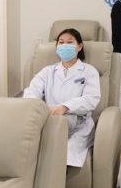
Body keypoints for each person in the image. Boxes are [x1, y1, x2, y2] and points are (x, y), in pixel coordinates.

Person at [23, 28, 100, 168]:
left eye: (70, 42)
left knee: (63, 156)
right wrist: (38, 108)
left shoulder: (89, 71)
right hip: (49, 119)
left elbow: (91, 99)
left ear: (79, 46)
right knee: (32, 152)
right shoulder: (47, 72)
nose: (65, 46)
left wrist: (65, 107)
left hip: (79, 124)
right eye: (61, 42)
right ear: (56, 46)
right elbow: (31, 92)